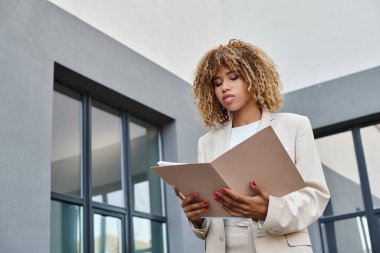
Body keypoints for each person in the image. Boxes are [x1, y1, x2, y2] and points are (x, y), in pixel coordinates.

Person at [172, 39, 330, 253]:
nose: (224, 87)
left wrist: (269, 209)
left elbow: (315, 196)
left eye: (233, 77)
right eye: (217, 83)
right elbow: (211, 220)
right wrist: (197, 218)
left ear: (254, 77)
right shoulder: (207, 142)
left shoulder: (293, 126)